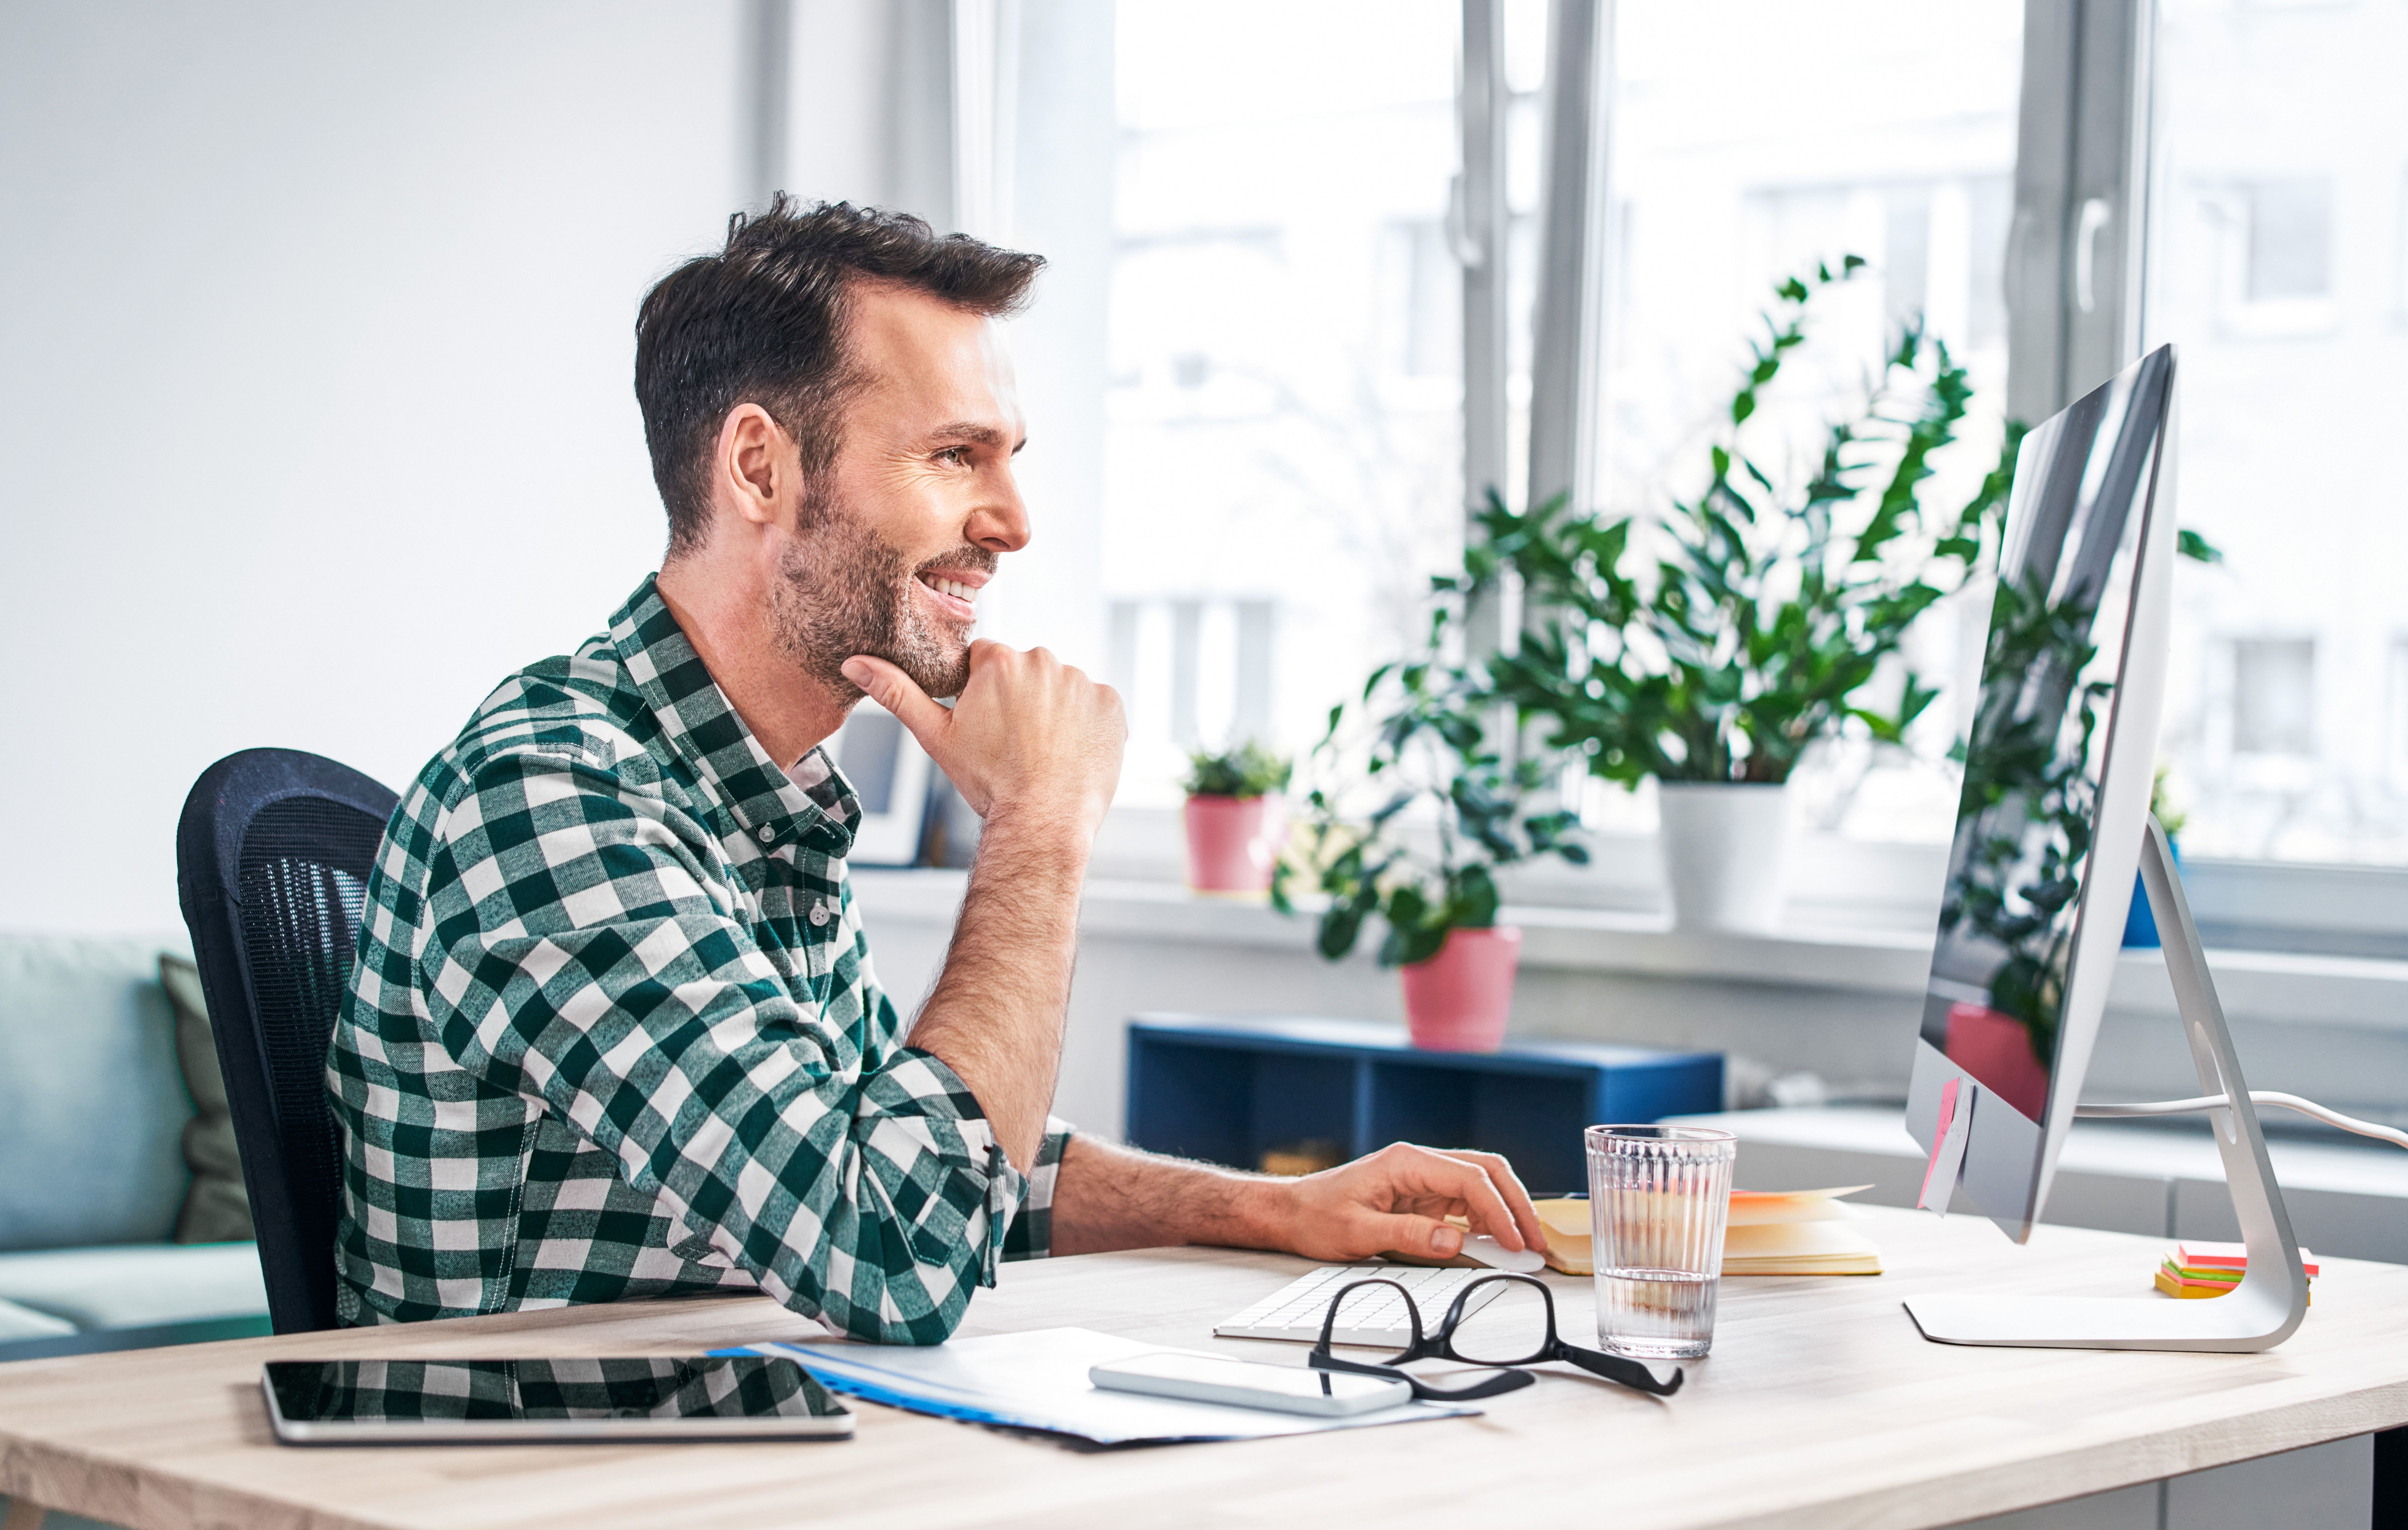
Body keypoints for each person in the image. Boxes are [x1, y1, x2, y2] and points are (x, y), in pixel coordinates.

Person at [329, 195, 1542, 1343]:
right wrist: (1041, 824)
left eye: (1007, 457)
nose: (1014, 521)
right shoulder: (556, 802)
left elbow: (938, 1171)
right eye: (958, 456)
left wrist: (1276, 1211)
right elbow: (898, 1249)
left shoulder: (756, 799)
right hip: (536, 1482)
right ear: (760, 467)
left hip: (738, 1454)